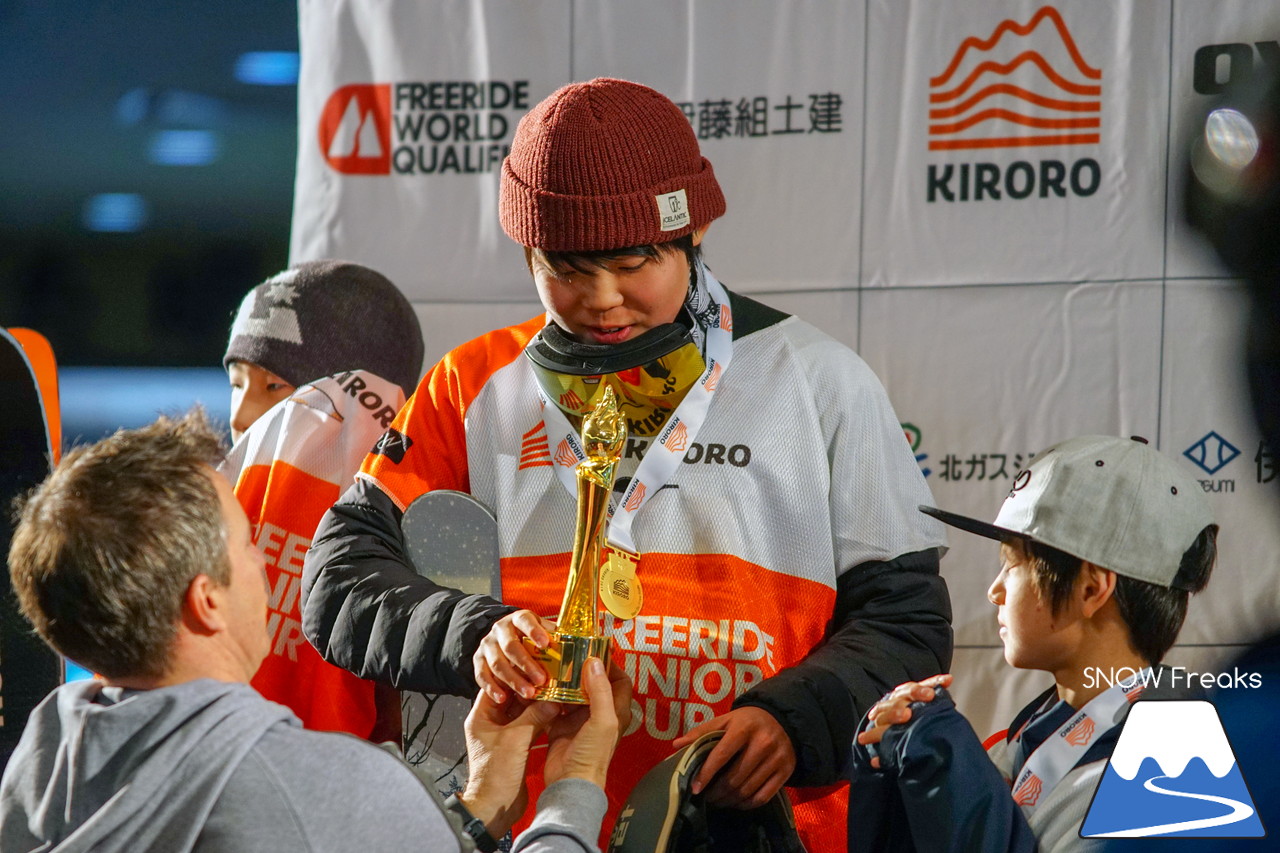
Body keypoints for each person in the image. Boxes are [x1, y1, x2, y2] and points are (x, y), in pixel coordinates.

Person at [301, 77, 951, 851]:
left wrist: (796, 717)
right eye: (568, 269)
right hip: (541, 831)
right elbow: (339, 579)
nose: (604, 298)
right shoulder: (474, 385)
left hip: (762, 829)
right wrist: (476, 632)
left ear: (693, 230)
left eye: (632, 261)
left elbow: (907, 620)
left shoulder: (820, 382)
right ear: (529, 250)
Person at [0, 411, 626, 852]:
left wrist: (485, 795)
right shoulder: (320, 790)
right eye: (248, 543)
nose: (268, 566)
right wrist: (574, 790)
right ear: (206, 602)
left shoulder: (40, 763)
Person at [849, 435, 1218, 852]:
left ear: (1090, 590)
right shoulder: (1022, 743)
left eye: (1012, 564)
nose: (995, 590)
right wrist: (891, 778)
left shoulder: (1177, 779)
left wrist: (945, 765)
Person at [223, 259, 423, 741]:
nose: (243, 414)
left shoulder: (428, 530)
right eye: (236, 383)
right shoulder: (195, 504)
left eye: (276, 386)